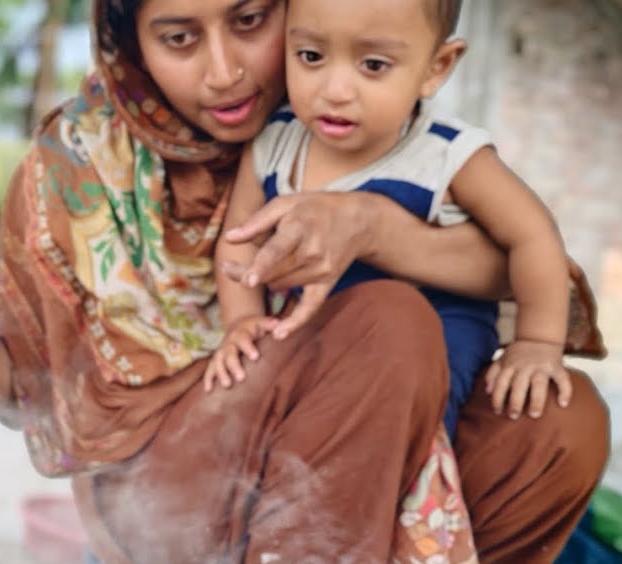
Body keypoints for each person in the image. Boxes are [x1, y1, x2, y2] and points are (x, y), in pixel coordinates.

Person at [0, 1, 611, 564]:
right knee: (387, 325)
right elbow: (22, 365)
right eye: (179, 39)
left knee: (560, 414)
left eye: (249, 21)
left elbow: (526, 262)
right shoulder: (77, 164)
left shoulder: (373, 126)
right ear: (131, 43)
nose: (225, 71)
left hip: (371, 434)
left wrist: (372, 227)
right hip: (175, 492)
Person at [205, 0, 573, 444]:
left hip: (436, 328)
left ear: (436, 67)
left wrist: (537, 342)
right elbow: (239, 238)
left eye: (373, 65)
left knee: (408, 406)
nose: (335, 89)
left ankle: (419, 487)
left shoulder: (448, 155)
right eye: (311, 57)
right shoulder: (276, 143)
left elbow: (534, 236)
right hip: (319, 327)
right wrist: (241, 319)